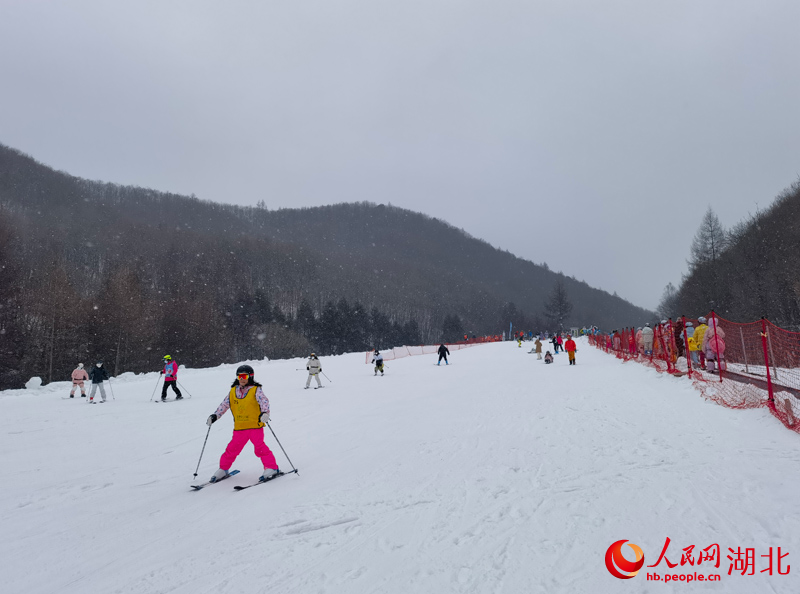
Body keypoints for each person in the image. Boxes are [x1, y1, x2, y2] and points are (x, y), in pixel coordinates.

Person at [206, 364, 279, 483]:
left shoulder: (256, 389)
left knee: (260, 448)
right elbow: (224, 405)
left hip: (255, 426)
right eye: (239, 376)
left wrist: (265, 413)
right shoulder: (233, 391)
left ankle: (271, 467)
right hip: (240, 428)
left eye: (244, 376)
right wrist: (215, 416)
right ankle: (223, 469)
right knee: (232, 449)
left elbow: (264, 401)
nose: (242, 378)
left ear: (250, 376)